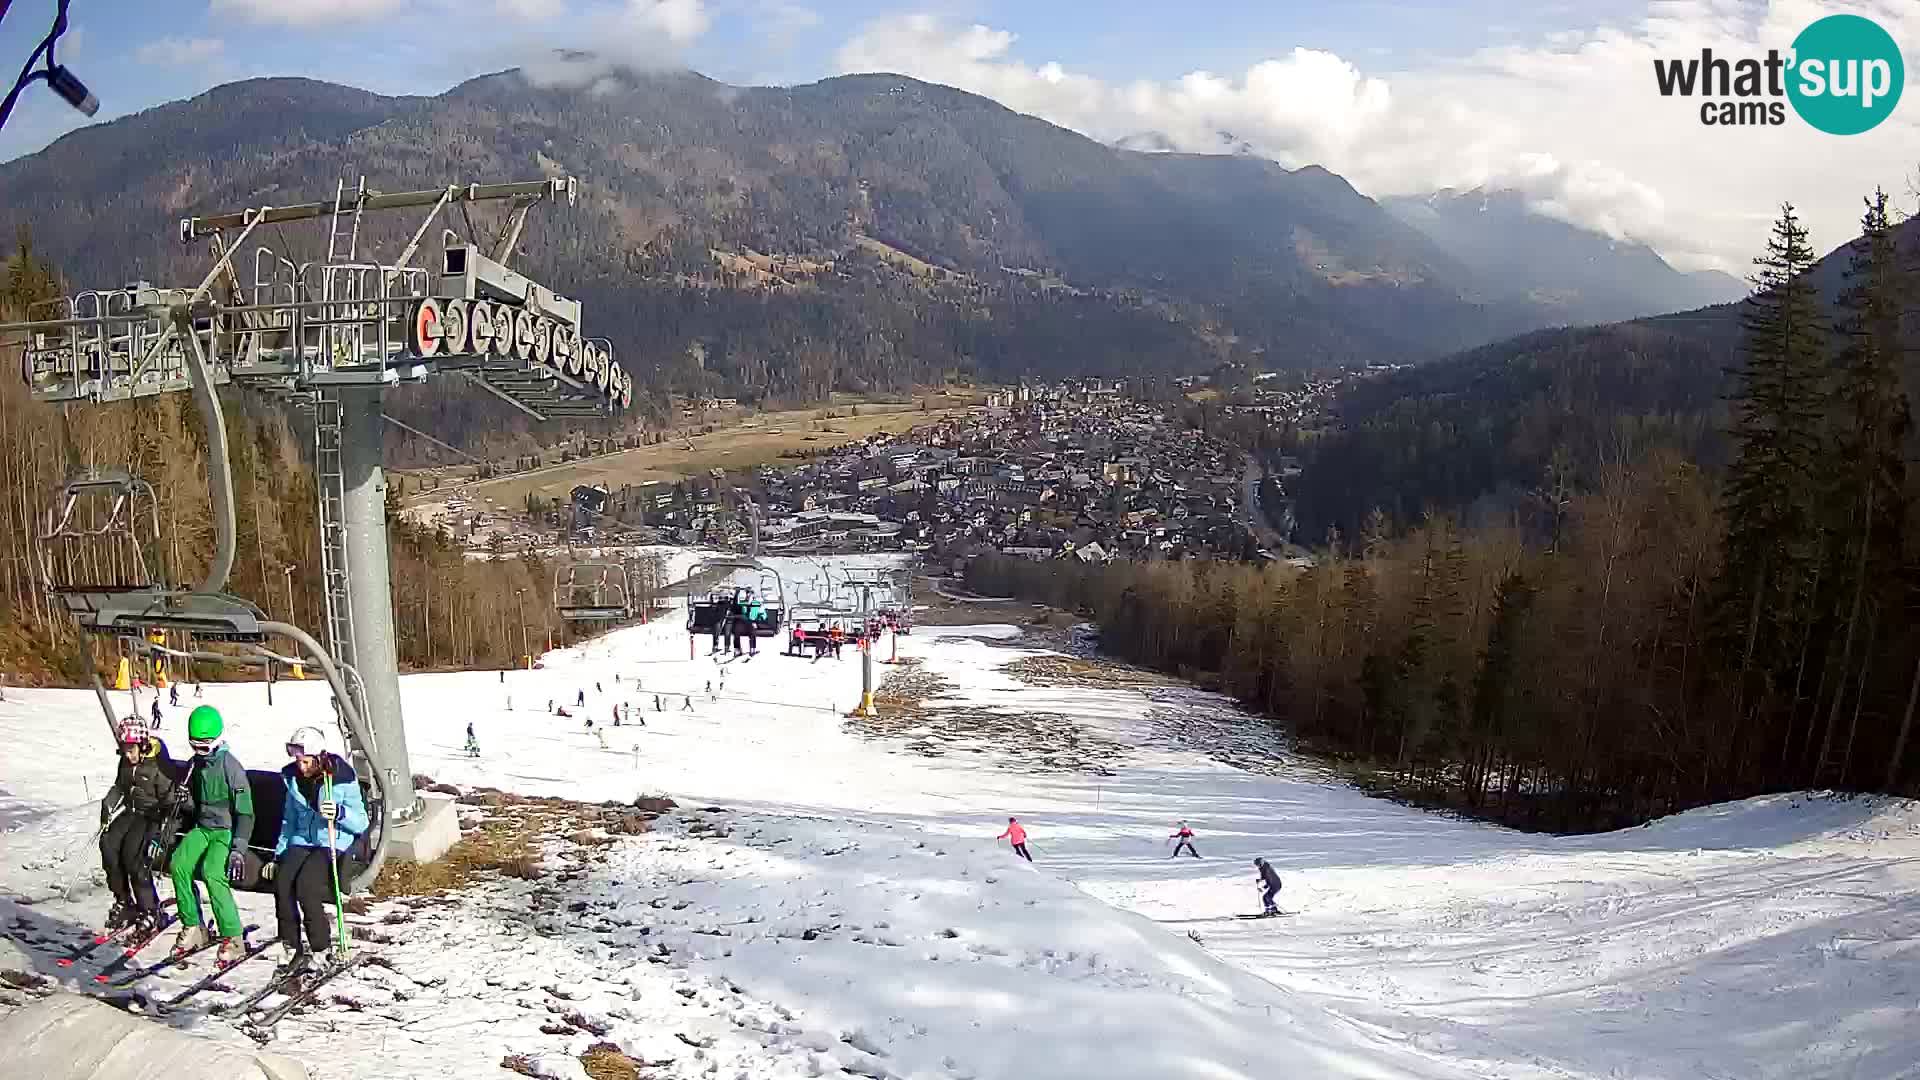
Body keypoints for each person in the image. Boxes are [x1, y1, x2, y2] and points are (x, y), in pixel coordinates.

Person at [262, 726, 368, 977]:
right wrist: (279, 854)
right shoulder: (293, 780)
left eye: (306, 761)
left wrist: (340, 814)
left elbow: (362, 822)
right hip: (301, 839)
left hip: (331, 840)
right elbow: (289, 821)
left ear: (318, 757)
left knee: (307, 887)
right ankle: (291, 943)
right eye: (298, 761)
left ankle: (322, 947)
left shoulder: (340, 778)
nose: (301, 767)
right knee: (283, 883)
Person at [168, 706, 254, 963]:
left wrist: (238, 848)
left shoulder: (231, 767)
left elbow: (246, 813)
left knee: (213, 873)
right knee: (179, 864)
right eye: (194, 746)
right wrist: (185, 801)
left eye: (203, 747)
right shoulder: (196, 765)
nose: (198, 753)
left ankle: (233, 935)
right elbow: (196, 806)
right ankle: (194, 926)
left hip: (224, 831)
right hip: (203, 828)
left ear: (217, 742)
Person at [98, 717, 184, 933]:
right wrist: (108, 804)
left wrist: (165, 834)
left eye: (131, 750)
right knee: (108, 844)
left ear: (142, 745)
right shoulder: (126, 763)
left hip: (152, 816)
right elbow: (120, 786)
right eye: (124, 750)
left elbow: (173, 806)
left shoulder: (159, 767)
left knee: (134, 856)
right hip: (131, 812)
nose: (128, 755)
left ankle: (150, 909)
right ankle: (123, 900)